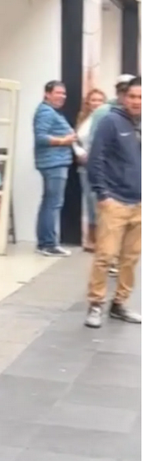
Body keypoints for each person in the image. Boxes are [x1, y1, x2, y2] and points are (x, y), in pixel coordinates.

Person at [84, 75, 142, 328]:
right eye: (132, 96)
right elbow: (96, 159)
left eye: (140, 97)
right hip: (115, 202)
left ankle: (119, 304)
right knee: (105, 256)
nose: (136, 101)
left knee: (130, 258)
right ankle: (95, 304)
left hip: (138, 203)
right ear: (123, 97)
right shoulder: (111, 121)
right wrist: (103, 195)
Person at [32, 80, 78, 257]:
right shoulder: (45, 112)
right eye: (58, 93)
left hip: (55, 163)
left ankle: (45, 242)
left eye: (64, 94)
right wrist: (64, 141)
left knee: (49, 203)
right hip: (53, 164)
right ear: (47, 94)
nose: (62, 97)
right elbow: (41, 138)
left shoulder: (51, 112)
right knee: (53, 204)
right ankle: (49, 244)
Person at [74, 88, 106, 251]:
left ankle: (102, 240)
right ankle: (91, 239)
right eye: (93, 100)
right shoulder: (83, 118)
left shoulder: (106, 118)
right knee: (89, 201)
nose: (96, 104)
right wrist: (80, 153)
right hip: (84, 165)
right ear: (88, 102)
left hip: (101, 166)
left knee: (99, 201)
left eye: (100, 100)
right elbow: (75, 139)